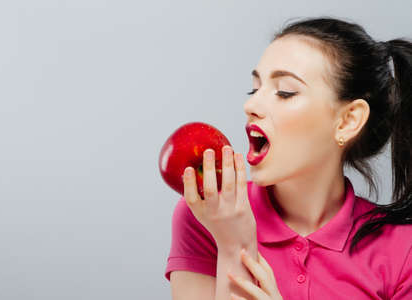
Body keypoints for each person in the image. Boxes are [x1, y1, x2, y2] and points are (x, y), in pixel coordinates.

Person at [164, 16, 412, 300]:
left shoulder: (403, 248)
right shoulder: (205, 216)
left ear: (347, 121)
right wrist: (234, 245)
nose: (251, 105)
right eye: (255, 89)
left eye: (285, 92)